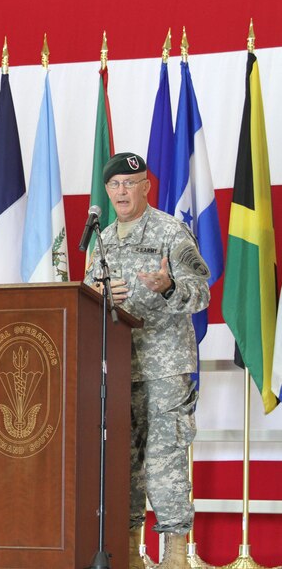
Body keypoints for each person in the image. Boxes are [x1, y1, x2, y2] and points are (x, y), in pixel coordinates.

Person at [85, 152, 210, 569]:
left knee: (164, 461)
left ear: (146, 188)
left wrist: (170, 284)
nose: (121, 191)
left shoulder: (170, 231)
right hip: (115, 370)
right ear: (107, 191)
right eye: (115, 184)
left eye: (129, 183)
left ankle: (175, 556)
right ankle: (131, 555)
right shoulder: (99, 239)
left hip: (164, 368)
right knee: (123, 463)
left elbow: (202, 293)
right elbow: (86, 294)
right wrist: (98, 297)